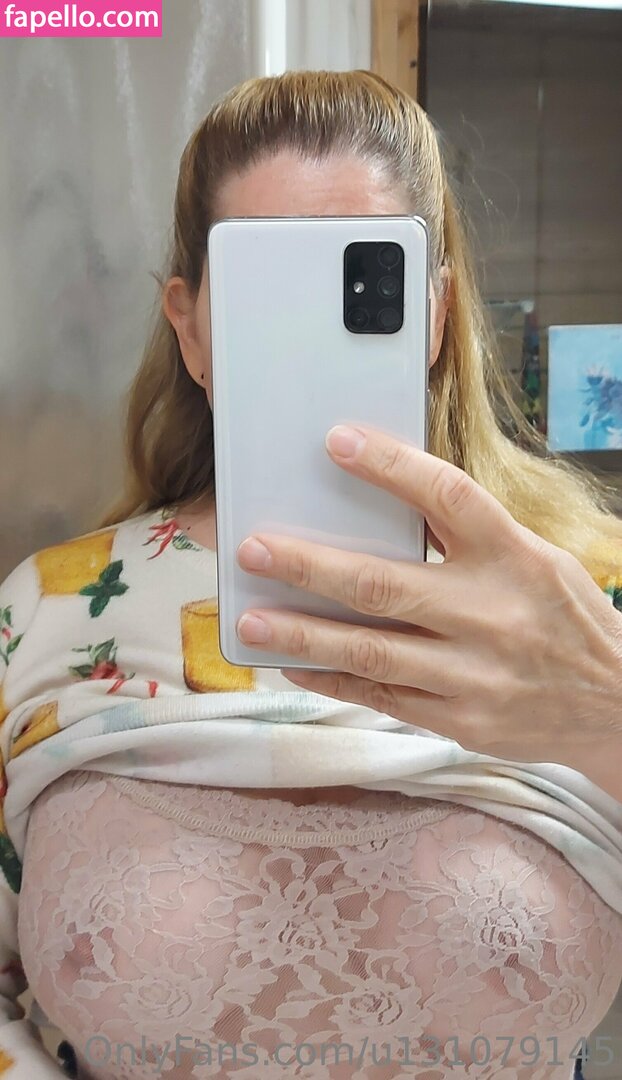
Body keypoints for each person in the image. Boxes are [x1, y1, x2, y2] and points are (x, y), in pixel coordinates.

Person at [1, 70, 622, 1080]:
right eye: (265, 291)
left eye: (355, 282)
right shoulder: (46, 612)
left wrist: (607, 711)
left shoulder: (584, 599)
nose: (301, 337)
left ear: (434, 313)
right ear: (190, 326)